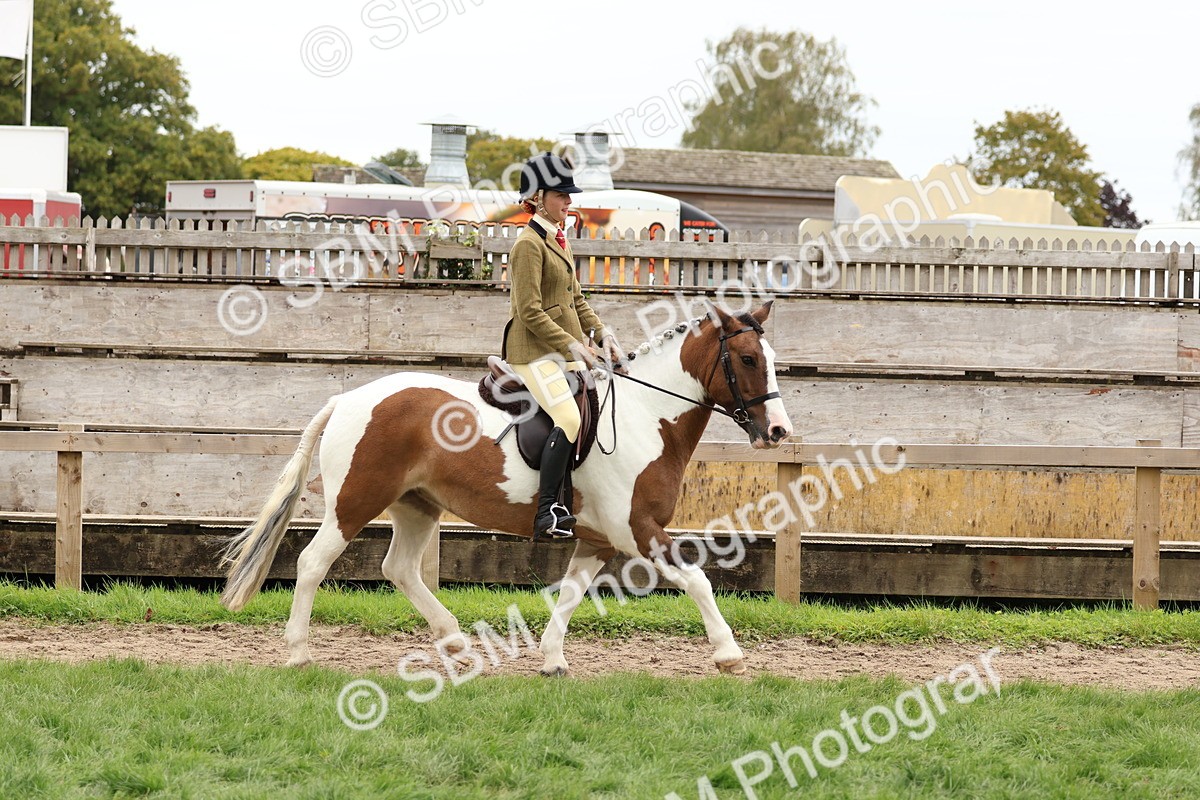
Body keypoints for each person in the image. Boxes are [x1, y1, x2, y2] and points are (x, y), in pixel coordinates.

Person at [502, 152, 623, 538]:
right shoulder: (528, 244)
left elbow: (576, 298)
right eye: (562, 196)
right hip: (532, 353)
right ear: (538, 197)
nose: (569, 202)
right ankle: (547, 511)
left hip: (561, 351)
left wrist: (602, 334)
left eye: (570, 196)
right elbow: (529, 312)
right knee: (568, 418)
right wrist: (573, 344)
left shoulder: (558, 239)